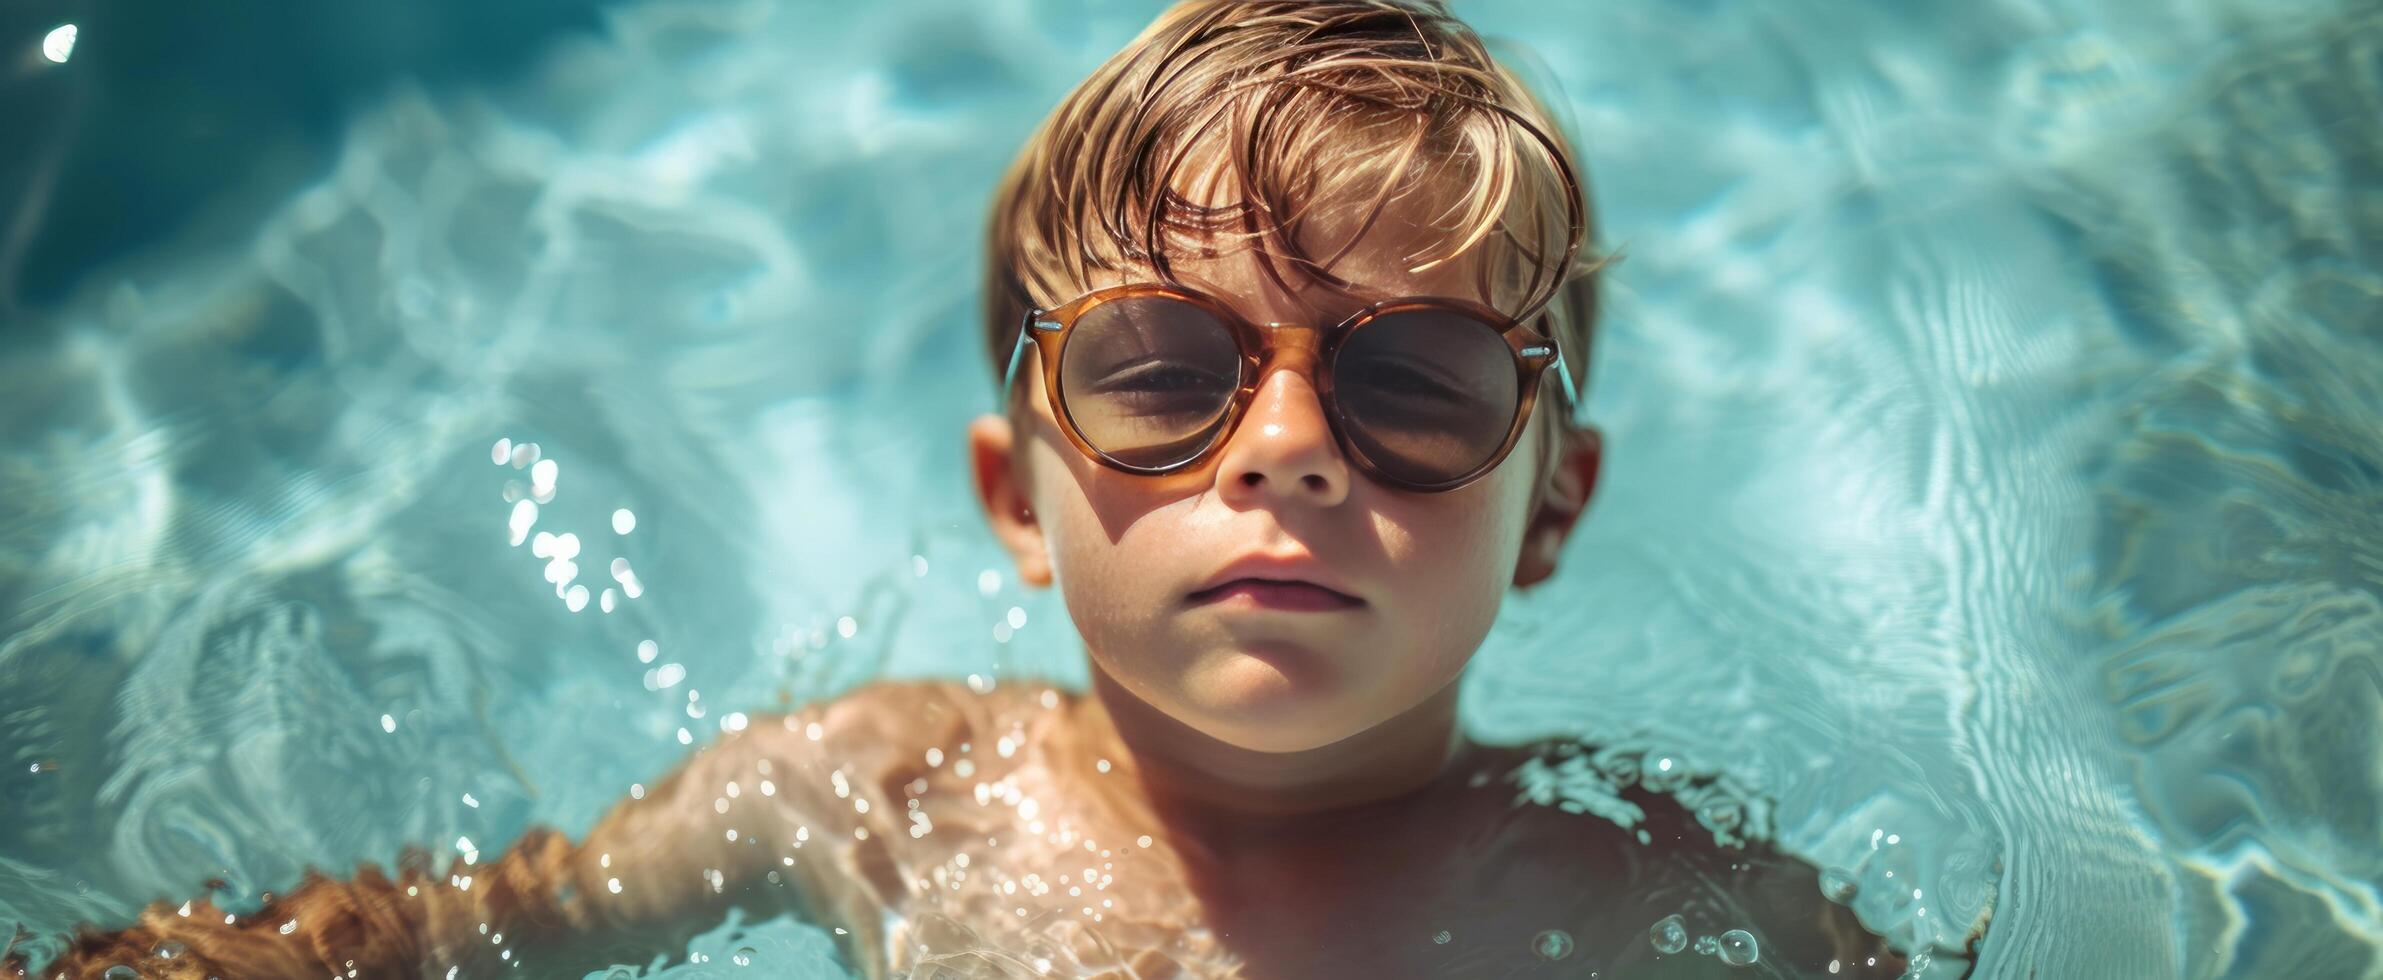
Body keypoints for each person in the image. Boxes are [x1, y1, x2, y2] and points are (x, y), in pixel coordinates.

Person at [22, 1, 1985, 977]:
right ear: (1017, 497)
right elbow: (495, 921)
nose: (1288, 444)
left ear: (1549, 508)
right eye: (1162, 376)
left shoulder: (1636, 884)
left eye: (1411, 382)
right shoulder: (883, 789)